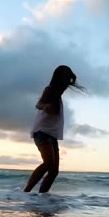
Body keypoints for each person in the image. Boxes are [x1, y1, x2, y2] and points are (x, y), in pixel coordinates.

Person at [24, 65, 84, 193]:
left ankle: (42, 198)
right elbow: (38, 104)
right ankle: (25, 192)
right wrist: (45, 107)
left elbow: (72, 80)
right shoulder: (50, 90)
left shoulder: (58, 93)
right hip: (42, 131)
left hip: (51, 134)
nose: (68, 83)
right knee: (48, 163)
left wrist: (71, 80)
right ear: (60, 79)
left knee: (54, 170)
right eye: (66, 79)